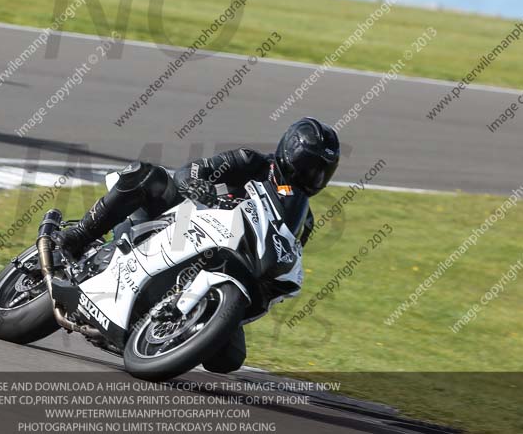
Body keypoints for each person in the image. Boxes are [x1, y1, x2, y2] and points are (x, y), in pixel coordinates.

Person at [55, 117, 341, 373]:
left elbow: (286, 250)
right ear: (289, 152)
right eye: (308, 166)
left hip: (225, 264)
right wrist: (200, 186)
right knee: (148, 176)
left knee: (229, 358)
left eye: (320, 172)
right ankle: (78, 235)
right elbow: (190, 172)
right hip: (182, 221)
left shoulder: (303, 217)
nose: (311, 176)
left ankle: (164, 328)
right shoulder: (251, 162)